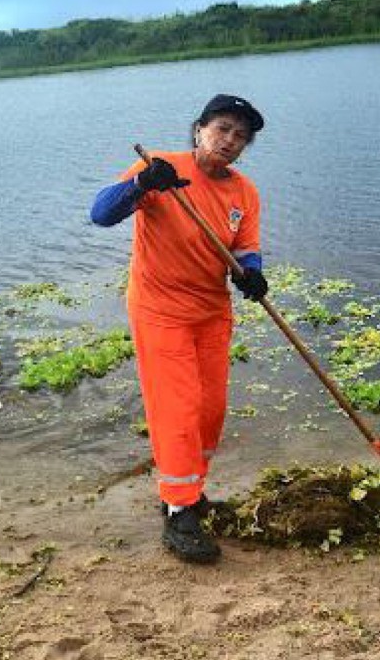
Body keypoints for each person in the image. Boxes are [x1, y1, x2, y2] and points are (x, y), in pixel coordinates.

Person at [89, 94, 269, 564]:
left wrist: (250, 271)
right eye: (223, 129)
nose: (230, 141)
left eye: (240, 136)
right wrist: (142, 184)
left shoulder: (244, 192)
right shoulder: (164, 168)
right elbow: (100, 213)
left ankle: (188, 489)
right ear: (200, 129)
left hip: (211, 308)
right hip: (159, 307)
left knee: (210, 409)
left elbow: (246, 245)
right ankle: (178, 511)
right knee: (178, 407)